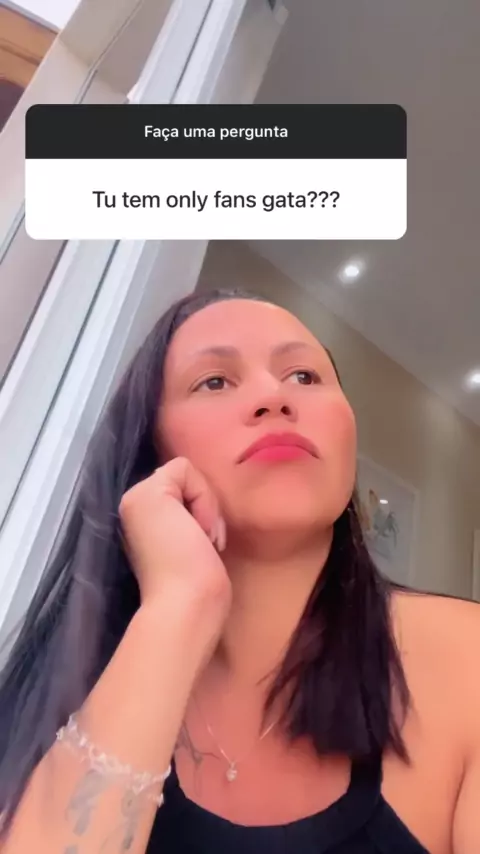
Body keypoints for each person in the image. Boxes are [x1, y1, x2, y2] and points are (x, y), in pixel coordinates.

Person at [0, 288, 478, 854]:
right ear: (153, 453)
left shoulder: (465, 659)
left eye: (303, 376)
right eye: (215, 382)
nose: (274, 397)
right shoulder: (51, 688)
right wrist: (178, 609)